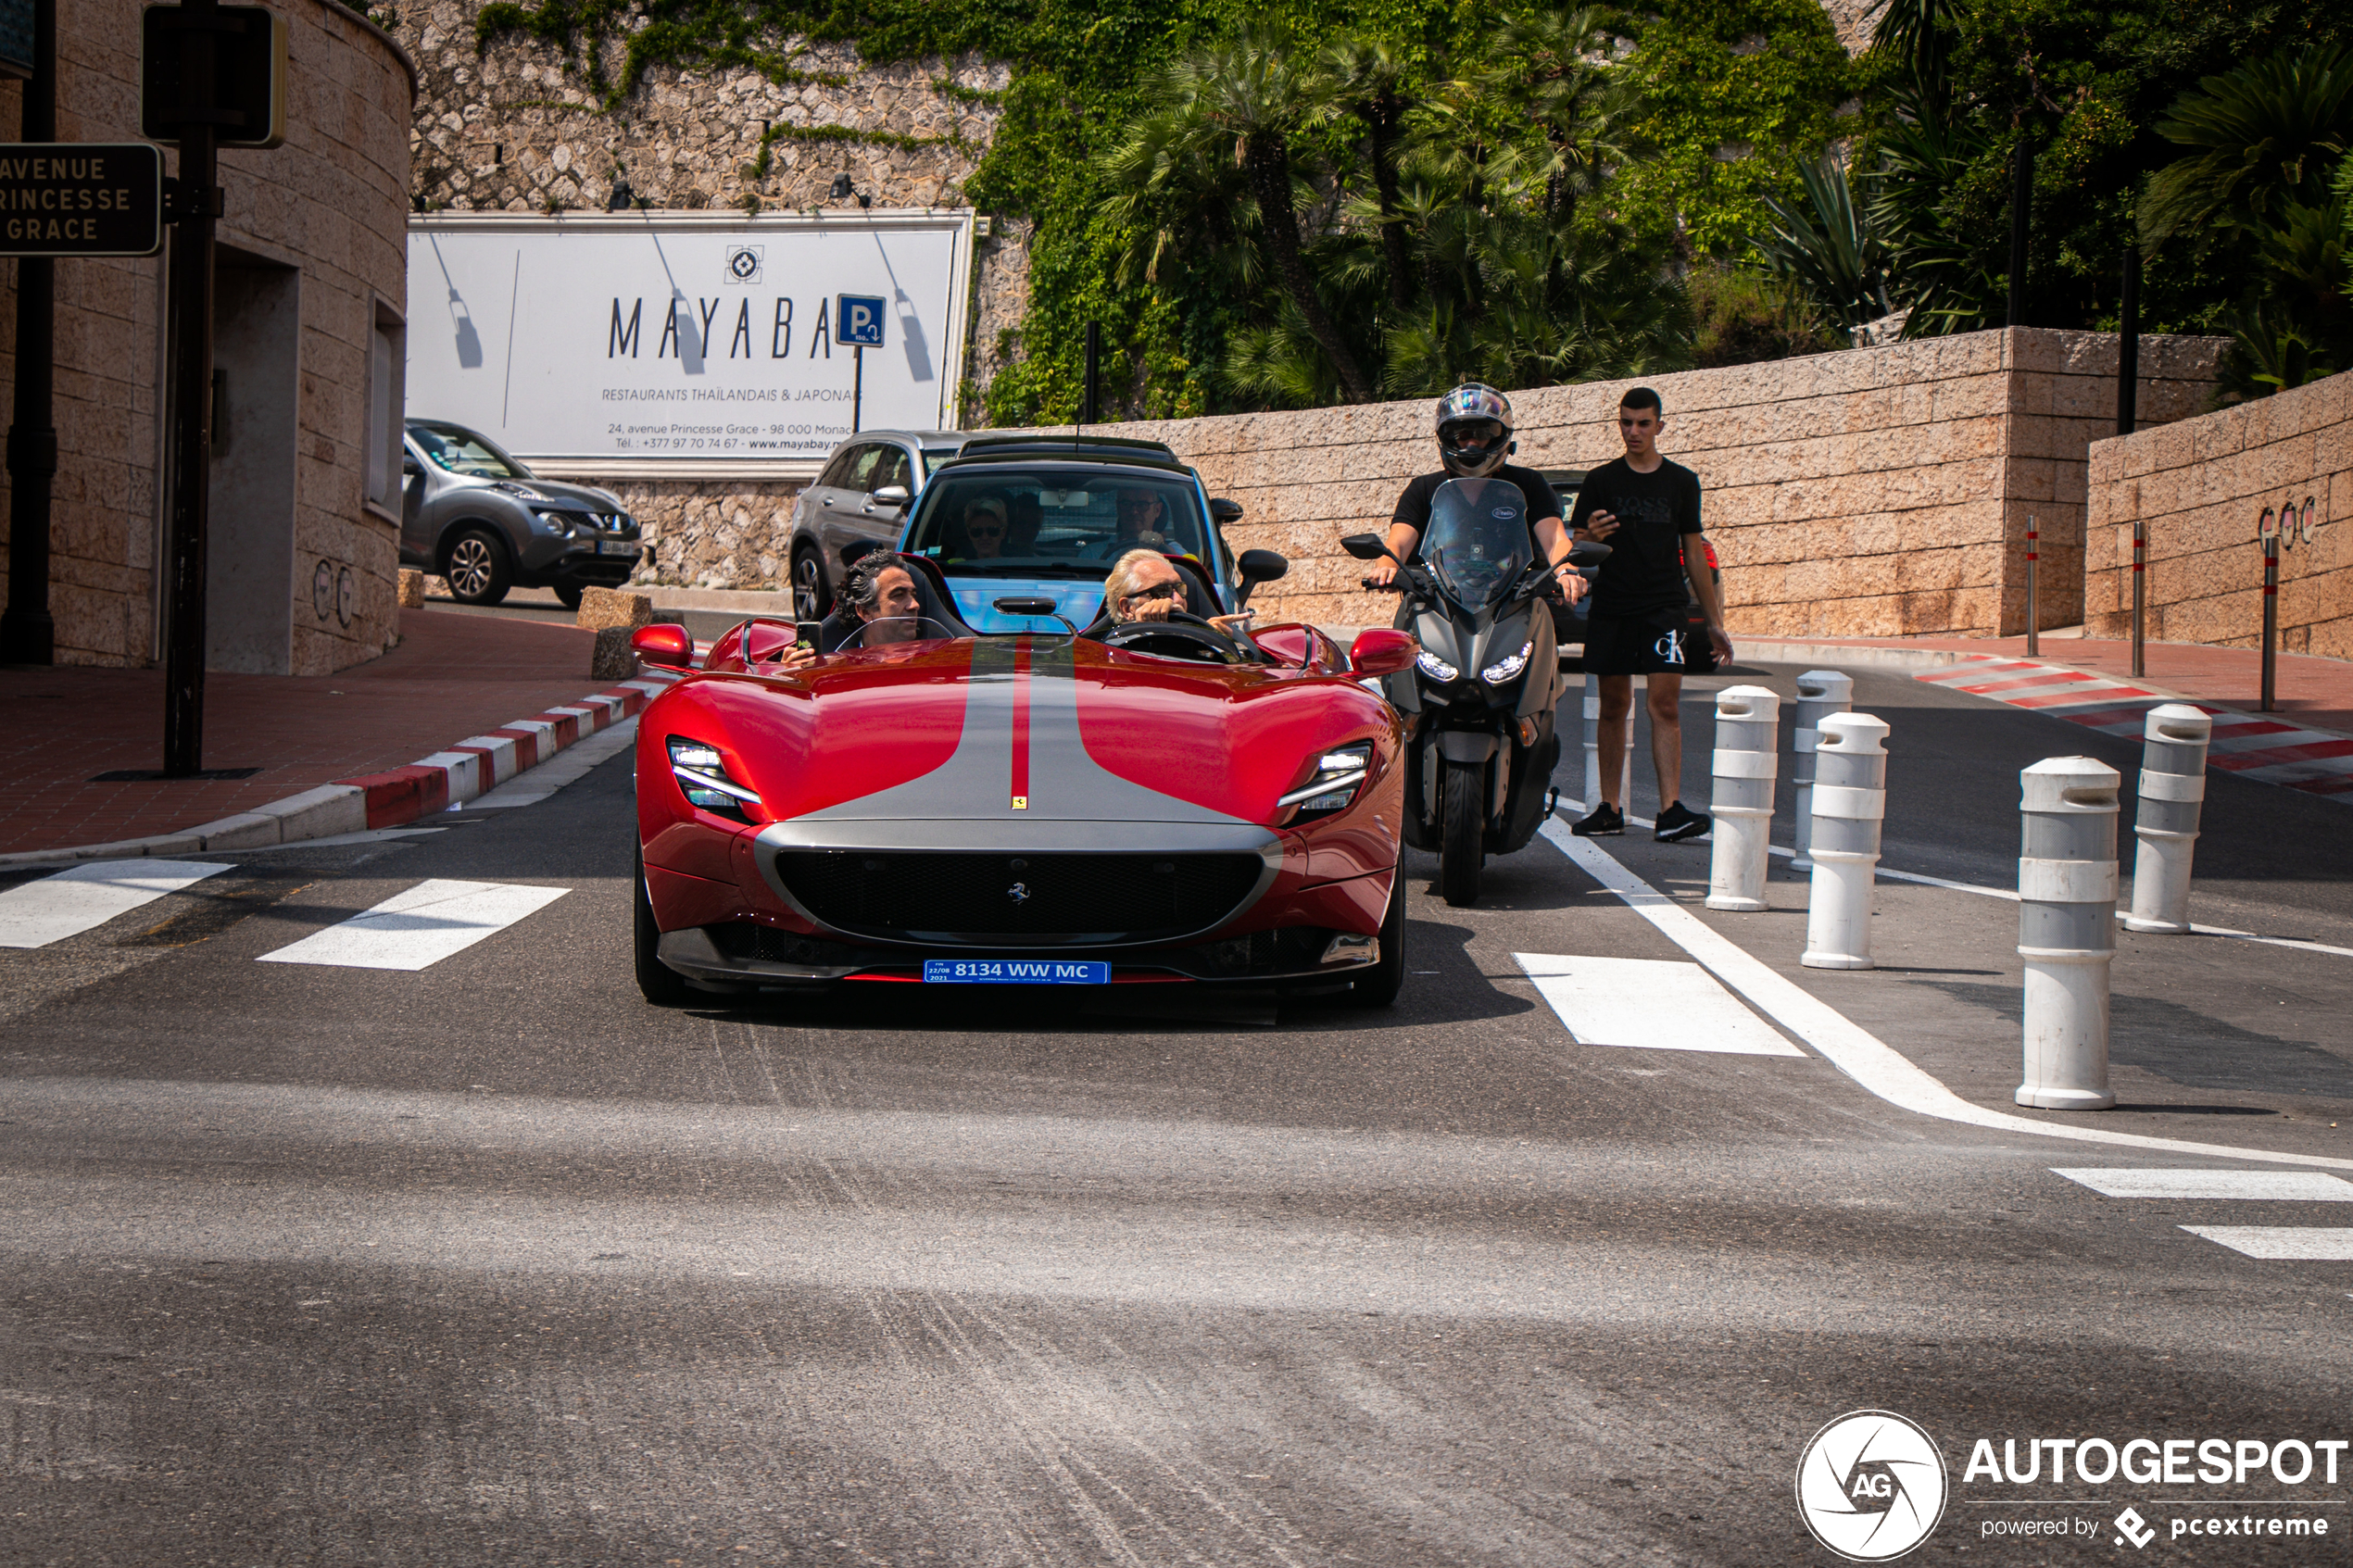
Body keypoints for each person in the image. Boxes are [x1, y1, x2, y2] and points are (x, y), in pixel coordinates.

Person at [1567, 386, 1733, 842]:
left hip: (1664, 607)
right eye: (1626, 422)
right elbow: (1577, 548)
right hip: (1613, 606)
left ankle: (1670, 811)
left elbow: (1694, 553)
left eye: (1643, 423)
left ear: (1660, 425)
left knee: (1665, 706)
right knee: (1613, 707)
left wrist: (1715, 622)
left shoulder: (1681, 482)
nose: (1634, 431)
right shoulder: (1601, 480)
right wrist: (1590, 534)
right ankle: (1609, 808)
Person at [1365, 383, 1587, 610]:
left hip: (1513, 603)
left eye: (1483, 433)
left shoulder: (1529, 484)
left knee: (1539, 642)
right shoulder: (1423, 488)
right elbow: (1398, 542)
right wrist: (1386, 566)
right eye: (1461, 434)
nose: (1472, 444)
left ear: (1503, 435)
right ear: (1445, 437)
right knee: (1397, 644)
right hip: (1435, 603)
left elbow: (1555, 539)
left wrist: (1566, 571)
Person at [1102, 548, 1253, 635]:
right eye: (1162, 591)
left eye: (1180, 589)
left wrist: (1213, 638)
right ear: (1128, 608)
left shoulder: (1206, 639)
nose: (1178, 600)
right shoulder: (1106, 657)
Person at [958, 495, 1010, 560]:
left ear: (1003, 532)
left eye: (992, 530)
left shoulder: (1016, 567)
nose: (985, 537)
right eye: (976, 531)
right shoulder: (955, 566)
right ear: (969, 533)